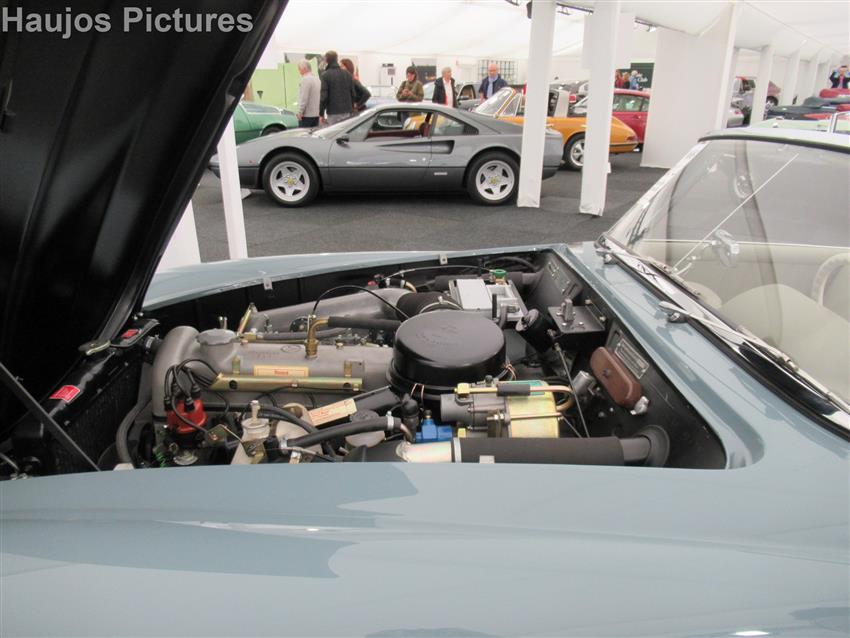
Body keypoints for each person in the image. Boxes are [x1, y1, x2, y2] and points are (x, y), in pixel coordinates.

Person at [319, 50, 356, 125]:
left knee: (334, 131)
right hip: (347, 111)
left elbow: (324, 97)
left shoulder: (325, 75)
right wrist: (352, 108)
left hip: (333, 112)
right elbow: (353, 94)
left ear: (326, 60)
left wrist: (321, 113)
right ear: (337, 59)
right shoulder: (347, 74)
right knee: (346, 131)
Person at [296, 60, 320, 128]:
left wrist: (300, 112)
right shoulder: (317, 79)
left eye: (299, 69)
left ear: (304, 69)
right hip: (316, 115)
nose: (299, 71)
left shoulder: (305, 80)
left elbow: (304, 98)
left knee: (304, 133)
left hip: (307, 116)